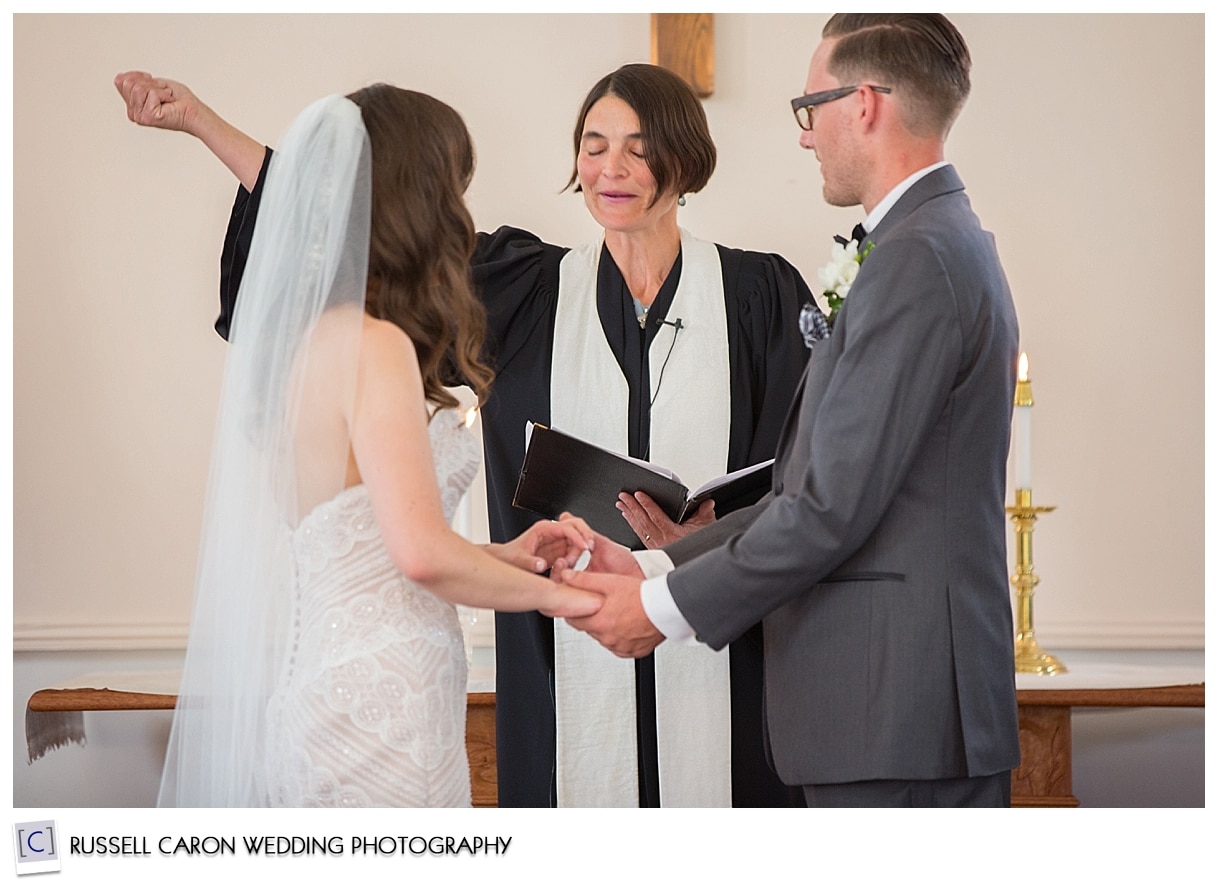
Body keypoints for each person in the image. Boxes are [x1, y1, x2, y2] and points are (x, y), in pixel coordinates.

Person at [115, 63, 811, 808]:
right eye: (593, 143)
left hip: (716, 635)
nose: (611, 167)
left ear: (685, 158)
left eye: (638, 148)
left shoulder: (759, 296)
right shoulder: (525, 288)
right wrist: (201, 122)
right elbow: (346, 215)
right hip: (559, 660)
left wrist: (710, 536)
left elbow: (808, 473)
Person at [560, 13, 1023, 808]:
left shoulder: (915, 258)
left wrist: (657, 610)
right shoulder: (931, 240)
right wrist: (659, 561)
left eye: (810, 107)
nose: (805, 136)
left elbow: (828, 510)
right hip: (893, 712)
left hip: (896, 713)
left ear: (866, 104)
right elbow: (818, 491)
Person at [141, 84, 601, 807]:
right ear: (414, 199)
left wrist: (502, 557)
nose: (461, 209)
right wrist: (569, 601)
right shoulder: (375, 345)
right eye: (452, 185)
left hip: (328, 685)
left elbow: (367, 552)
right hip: (385, 703)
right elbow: (419, 555)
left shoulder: (301, 346)